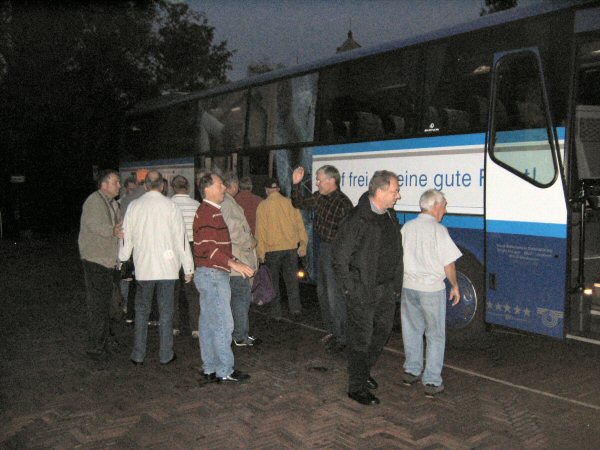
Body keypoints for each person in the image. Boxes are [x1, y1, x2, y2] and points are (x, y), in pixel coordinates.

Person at [333, 170, 403, 406]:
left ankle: (363, 371)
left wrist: (396, 284)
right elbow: (340, 259)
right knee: (361, 339)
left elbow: (395, 252)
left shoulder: (390, 216)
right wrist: (353, 289)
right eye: (395, 191)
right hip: (363, 291)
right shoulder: (357, 219)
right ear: (380, 191)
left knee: (381, 333)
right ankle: (356, 387)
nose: (398, 196)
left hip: (385, 289)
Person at [119, 170, 194, 365]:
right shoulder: (170, 207)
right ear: (162, 186)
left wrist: (122, 258)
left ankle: (138, 354)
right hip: (168, 269)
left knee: (142, 311)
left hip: (144, 268)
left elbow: (127, 237)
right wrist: (188, 267)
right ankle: (166, 354)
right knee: (166, 311)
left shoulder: (134, 206)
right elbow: (181, 239)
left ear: (145, 186)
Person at [193, 172, 255, 383]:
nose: (224, 189)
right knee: (223, 323)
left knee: (209, 323)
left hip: (209, 273)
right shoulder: (208, 213)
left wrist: (235, 259)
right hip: (213, 274)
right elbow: (209, 249)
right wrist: (233, 263)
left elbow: (215, 247)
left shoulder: (210, 211)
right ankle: (224, 370)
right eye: (220, 185)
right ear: (208, 189)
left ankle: (210, 367)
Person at [400, 189, 462, 398]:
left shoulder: (407, 228)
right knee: (435, 335)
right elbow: (449, 263)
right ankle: (432, 381)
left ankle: (411, 370)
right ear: (434, 206)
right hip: (431, 289)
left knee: (411, 330)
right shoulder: (439, 230)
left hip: (409, 287)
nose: (445, 209)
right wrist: (455, 286)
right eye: (444, 204)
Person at [292, 165, 353, 352]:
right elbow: (298, 202)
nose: (317, 183)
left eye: (319, 179)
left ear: (331, 181)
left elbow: (349, 236)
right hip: (324, 248)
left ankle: (343, 336)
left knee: (335, 295)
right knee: (323, 292)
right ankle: (332, 330)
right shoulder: (320, 197)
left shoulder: (343, 203)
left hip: (337, 250)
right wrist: (296, 184)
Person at [78, 169, 123, 359]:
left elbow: (117, 227)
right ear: (104, 185)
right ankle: (96, 346)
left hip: (109, 261)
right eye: (115, 182)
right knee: (98, 305)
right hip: (96, 260)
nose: (119, 185)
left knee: (110, 303)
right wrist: (114, 230)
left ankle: (106, 338)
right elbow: (96, 226)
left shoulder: (112, 204)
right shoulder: (94, 201)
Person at [256, 178, 308, 320]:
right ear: (278, 189)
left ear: (266, 190)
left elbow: (260, 232)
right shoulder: (290, 203)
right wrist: (303, 244)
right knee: (292, 281)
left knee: (274, 283)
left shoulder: (263, 206)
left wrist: (260, 254)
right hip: (291, 249)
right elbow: (300, 225)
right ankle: (296, 310)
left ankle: (276, 313)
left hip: (272, 250)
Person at [222, 172, 259, 346]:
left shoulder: (226, 203)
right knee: (240, 299)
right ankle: (240, 335)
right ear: (234, 186)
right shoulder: (228, 204)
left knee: (237, 299)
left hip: (233, 259)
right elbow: (235, 231)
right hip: (238, 260)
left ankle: (239, 333)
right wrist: (250, 242)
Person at [170, 175, 201, 338]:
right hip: (193, 248)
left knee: (173, 289)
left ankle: (174, 326)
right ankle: (195, 327)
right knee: (193, 291)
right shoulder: (196, 205)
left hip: (173, 249)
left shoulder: (168, 205)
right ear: (187, 187)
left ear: (172, 188)